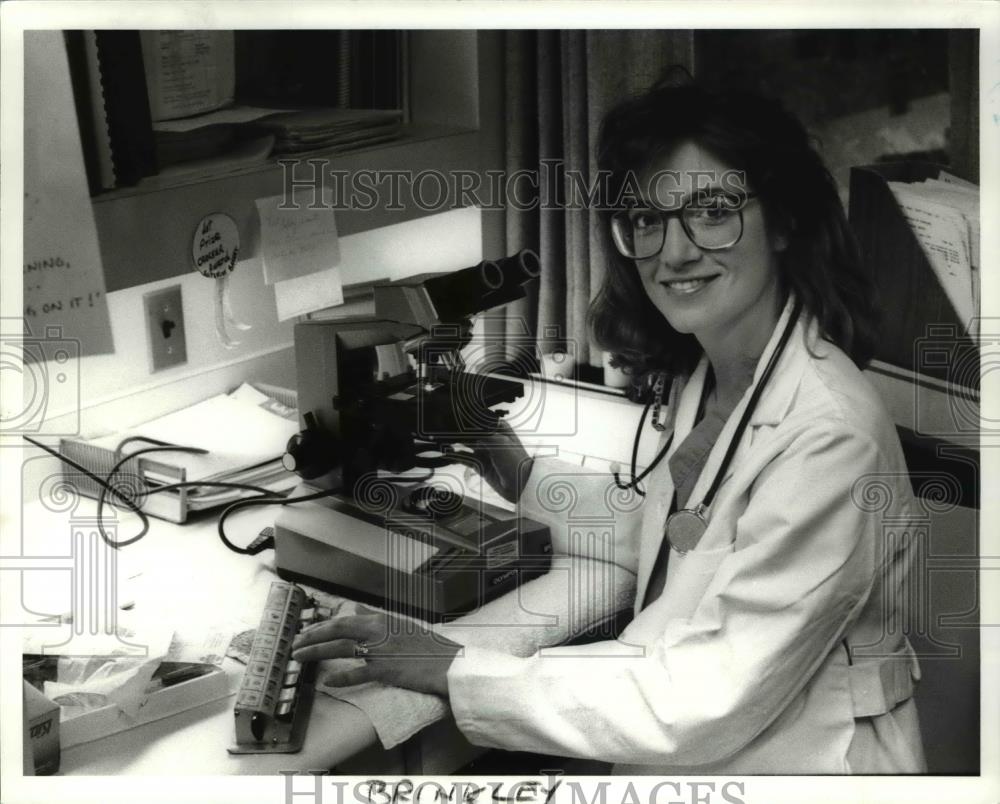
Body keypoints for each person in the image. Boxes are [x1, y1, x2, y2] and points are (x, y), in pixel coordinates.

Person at [292, 78, 927, 774]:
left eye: (711, 211)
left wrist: (450, 666)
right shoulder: (713, 374)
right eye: (647, 220)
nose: (674, 251)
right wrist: (520, 472)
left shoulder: (830, 437)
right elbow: (692, 533)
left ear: (783, 221)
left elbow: (700, 700)